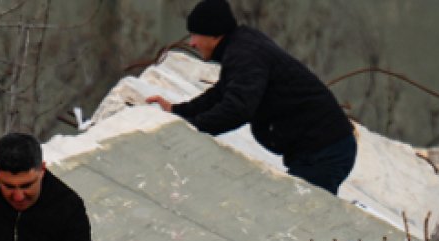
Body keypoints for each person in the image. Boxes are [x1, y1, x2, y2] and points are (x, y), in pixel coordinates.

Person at [145, 0, 357, 194]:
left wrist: (192, 128)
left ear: (213, 34)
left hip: (326, 151)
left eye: (195, 35)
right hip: (322, 149)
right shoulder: (241, 46)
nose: (191, 43)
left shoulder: (245, 54)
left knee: (297, 215)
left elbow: (238, 107)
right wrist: (177, 112)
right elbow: (221, 94)